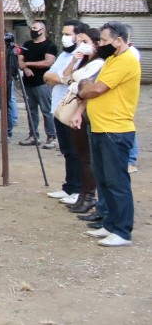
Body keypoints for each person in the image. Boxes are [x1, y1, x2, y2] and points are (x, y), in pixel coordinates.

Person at [76, 21, 140, 246]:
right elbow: (89, 83)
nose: (100, 44)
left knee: (117, 182)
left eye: (104, 40)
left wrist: (83, 89)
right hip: (99, 127)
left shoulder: (126, 61)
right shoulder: (112, 59)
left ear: (118, 40)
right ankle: (110, 223)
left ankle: (122, 231)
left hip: (115, 130)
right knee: (103, 180)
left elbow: (95, 88)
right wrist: (86, 86)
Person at [45, 20, 89, 206]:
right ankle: (69, 187)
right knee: (67, 151)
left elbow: (75, 79)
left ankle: (78, 189)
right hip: (58, 107)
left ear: (79, 36)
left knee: (76, 150)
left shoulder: (85, 57)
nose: (64, 37)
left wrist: (63, 78)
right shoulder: (64, 54)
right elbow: (48, 76)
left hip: (73, 109)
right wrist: (63, 78)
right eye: (63, 33)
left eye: (68, 34)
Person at [62, 28, 105, 215]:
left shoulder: (99, 63)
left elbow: (84, 84)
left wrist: (76, 82)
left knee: (86, 157)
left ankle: (89, 196)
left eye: (86, 42)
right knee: (81, 155)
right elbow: (67, 76)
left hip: (86, 112)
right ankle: (83, 194)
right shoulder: (84, 61)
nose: (81, 45)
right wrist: (74, 63)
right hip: (77, 107)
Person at [20, 20, 58, 149]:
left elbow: (48, 62)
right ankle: (33, 136)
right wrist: (25, 68)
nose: (32, 30)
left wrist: (27, 64)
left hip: (43, 82)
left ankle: (51, 137)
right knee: (31, 111)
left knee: (46, 110)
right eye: (32, 28)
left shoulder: (50, 45)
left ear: (43, 30)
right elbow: (20, 60)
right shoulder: (27, 44)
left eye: (35, 28)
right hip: (28, 82)